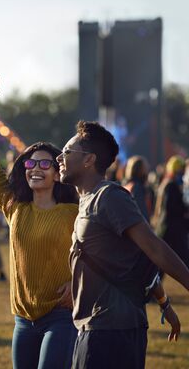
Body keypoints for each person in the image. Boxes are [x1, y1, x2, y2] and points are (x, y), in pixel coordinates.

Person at [57, 121, 187, 369]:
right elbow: (131, 260)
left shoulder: (108, 197)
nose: (59, 158)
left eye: (67, 152)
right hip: (95, 327)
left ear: (88, 160)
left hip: (111, 331)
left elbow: (153, 247)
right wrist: (164, 303)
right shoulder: (88, 199)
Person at [0, 78, 79, 369]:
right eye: (30, 163)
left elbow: (96, 252)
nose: (36, 168)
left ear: (57, 173)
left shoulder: (73, 212)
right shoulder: (14, 207)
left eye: (45, 164)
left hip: (60, 317)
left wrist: (78, 282)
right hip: (22, 320)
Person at [153, 155, 189, 268]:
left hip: (168, 228)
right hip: (171, 229)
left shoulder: (167, 183)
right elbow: (171, 208)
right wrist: (185, 209)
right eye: (180, 171)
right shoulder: (171, 185)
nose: (182, 174)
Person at [123, 155, 153, 221]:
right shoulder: (138, 188)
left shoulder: (126, 186)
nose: (148, 169)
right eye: (145, 167)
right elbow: (141, 213)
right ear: (140, 169)